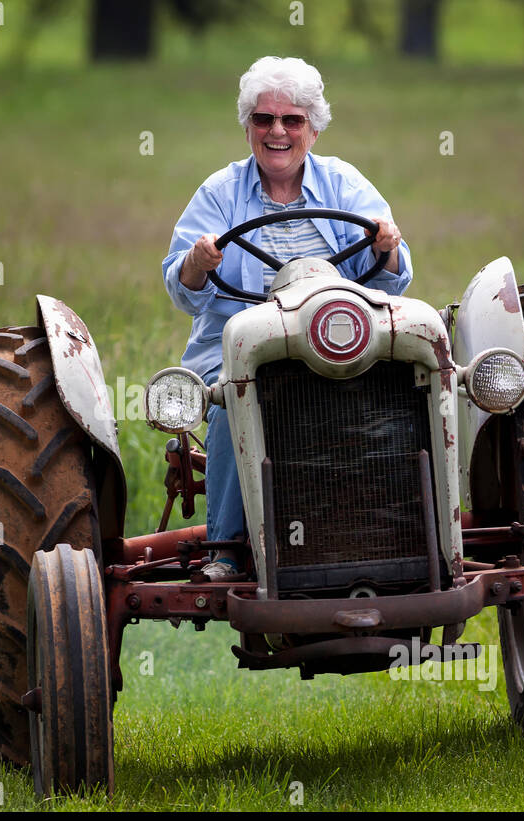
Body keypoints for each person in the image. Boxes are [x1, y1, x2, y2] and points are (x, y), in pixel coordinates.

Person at [161, 55, 414, 581]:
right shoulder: (219, 194)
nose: (277, 131)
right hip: (239, 354)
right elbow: (181, 290)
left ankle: (405, 533)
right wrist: (196, 263)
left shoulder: (344, 185)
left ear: (313, 129)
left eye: (291, 120)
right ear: (248, 126)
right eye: (263, 119)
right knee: (234, 396)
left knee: (402, 388)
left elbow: (393, 279)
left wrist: (386, 246)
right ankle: (228, 550)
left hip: (335, 344)